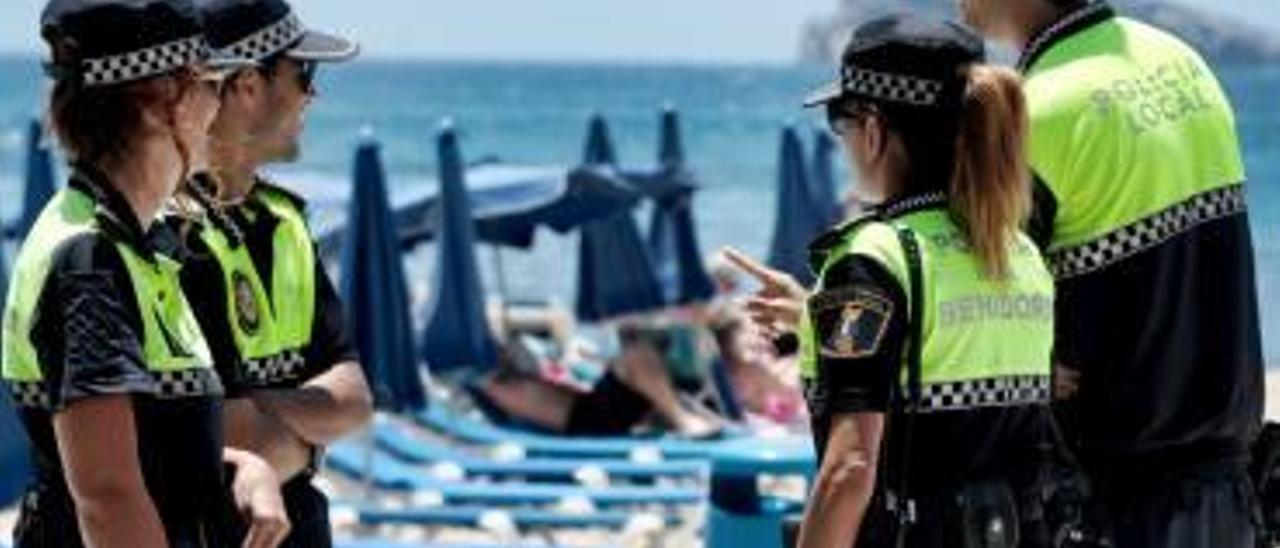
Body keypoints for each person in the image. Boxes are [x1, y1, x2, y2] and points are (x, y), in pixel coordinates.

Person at [730, 15, 1055, 547]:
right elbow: (949, 352)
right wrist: (818, 318)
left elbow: (848, 470)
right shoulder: (1017, 253)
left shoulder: (872, 259)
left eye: (842, 122)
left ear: (874, 129)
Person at [957, 0, 1263, 545]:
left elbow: (985, 325)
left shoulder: (1033, 110)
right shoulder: (1182, 62)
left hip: (1112, 496)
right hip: (1227, 479)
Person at [2, 0, 292, 546]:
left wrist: (239, 467)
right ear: (163, 101)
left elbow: (139, 445)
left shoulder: (131, 244)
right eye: (211, 82)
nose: (227, 106)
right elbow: (107, 497)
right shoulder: (91, 261)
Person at [172, 0, 373, 545]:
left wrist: (263, 412)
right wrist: (309, 436)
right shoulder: (170, 235)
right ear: (246, 86)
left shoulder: (283, 221)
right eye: (302, 72)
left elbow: (355, 399)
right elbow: (230, 435)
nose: (313, 93)